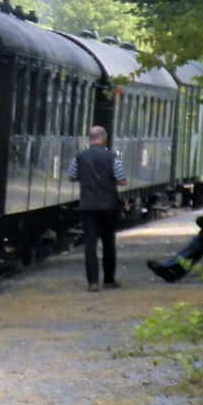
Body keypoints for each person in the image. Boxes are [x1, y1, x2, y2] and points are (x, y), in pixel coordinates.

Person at [66, 125, 128, 292]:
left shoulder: (79, 157)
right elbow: (122, 180)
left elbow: (71, 176)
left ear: (90, 138)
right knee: (108, 243)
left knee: (90, 245)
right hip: (109, 206)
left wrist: (85, 177)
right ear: (104, 138)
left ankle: (92, 282)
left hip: (87, 206)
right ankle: (108, 280)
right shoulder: (112, 157)